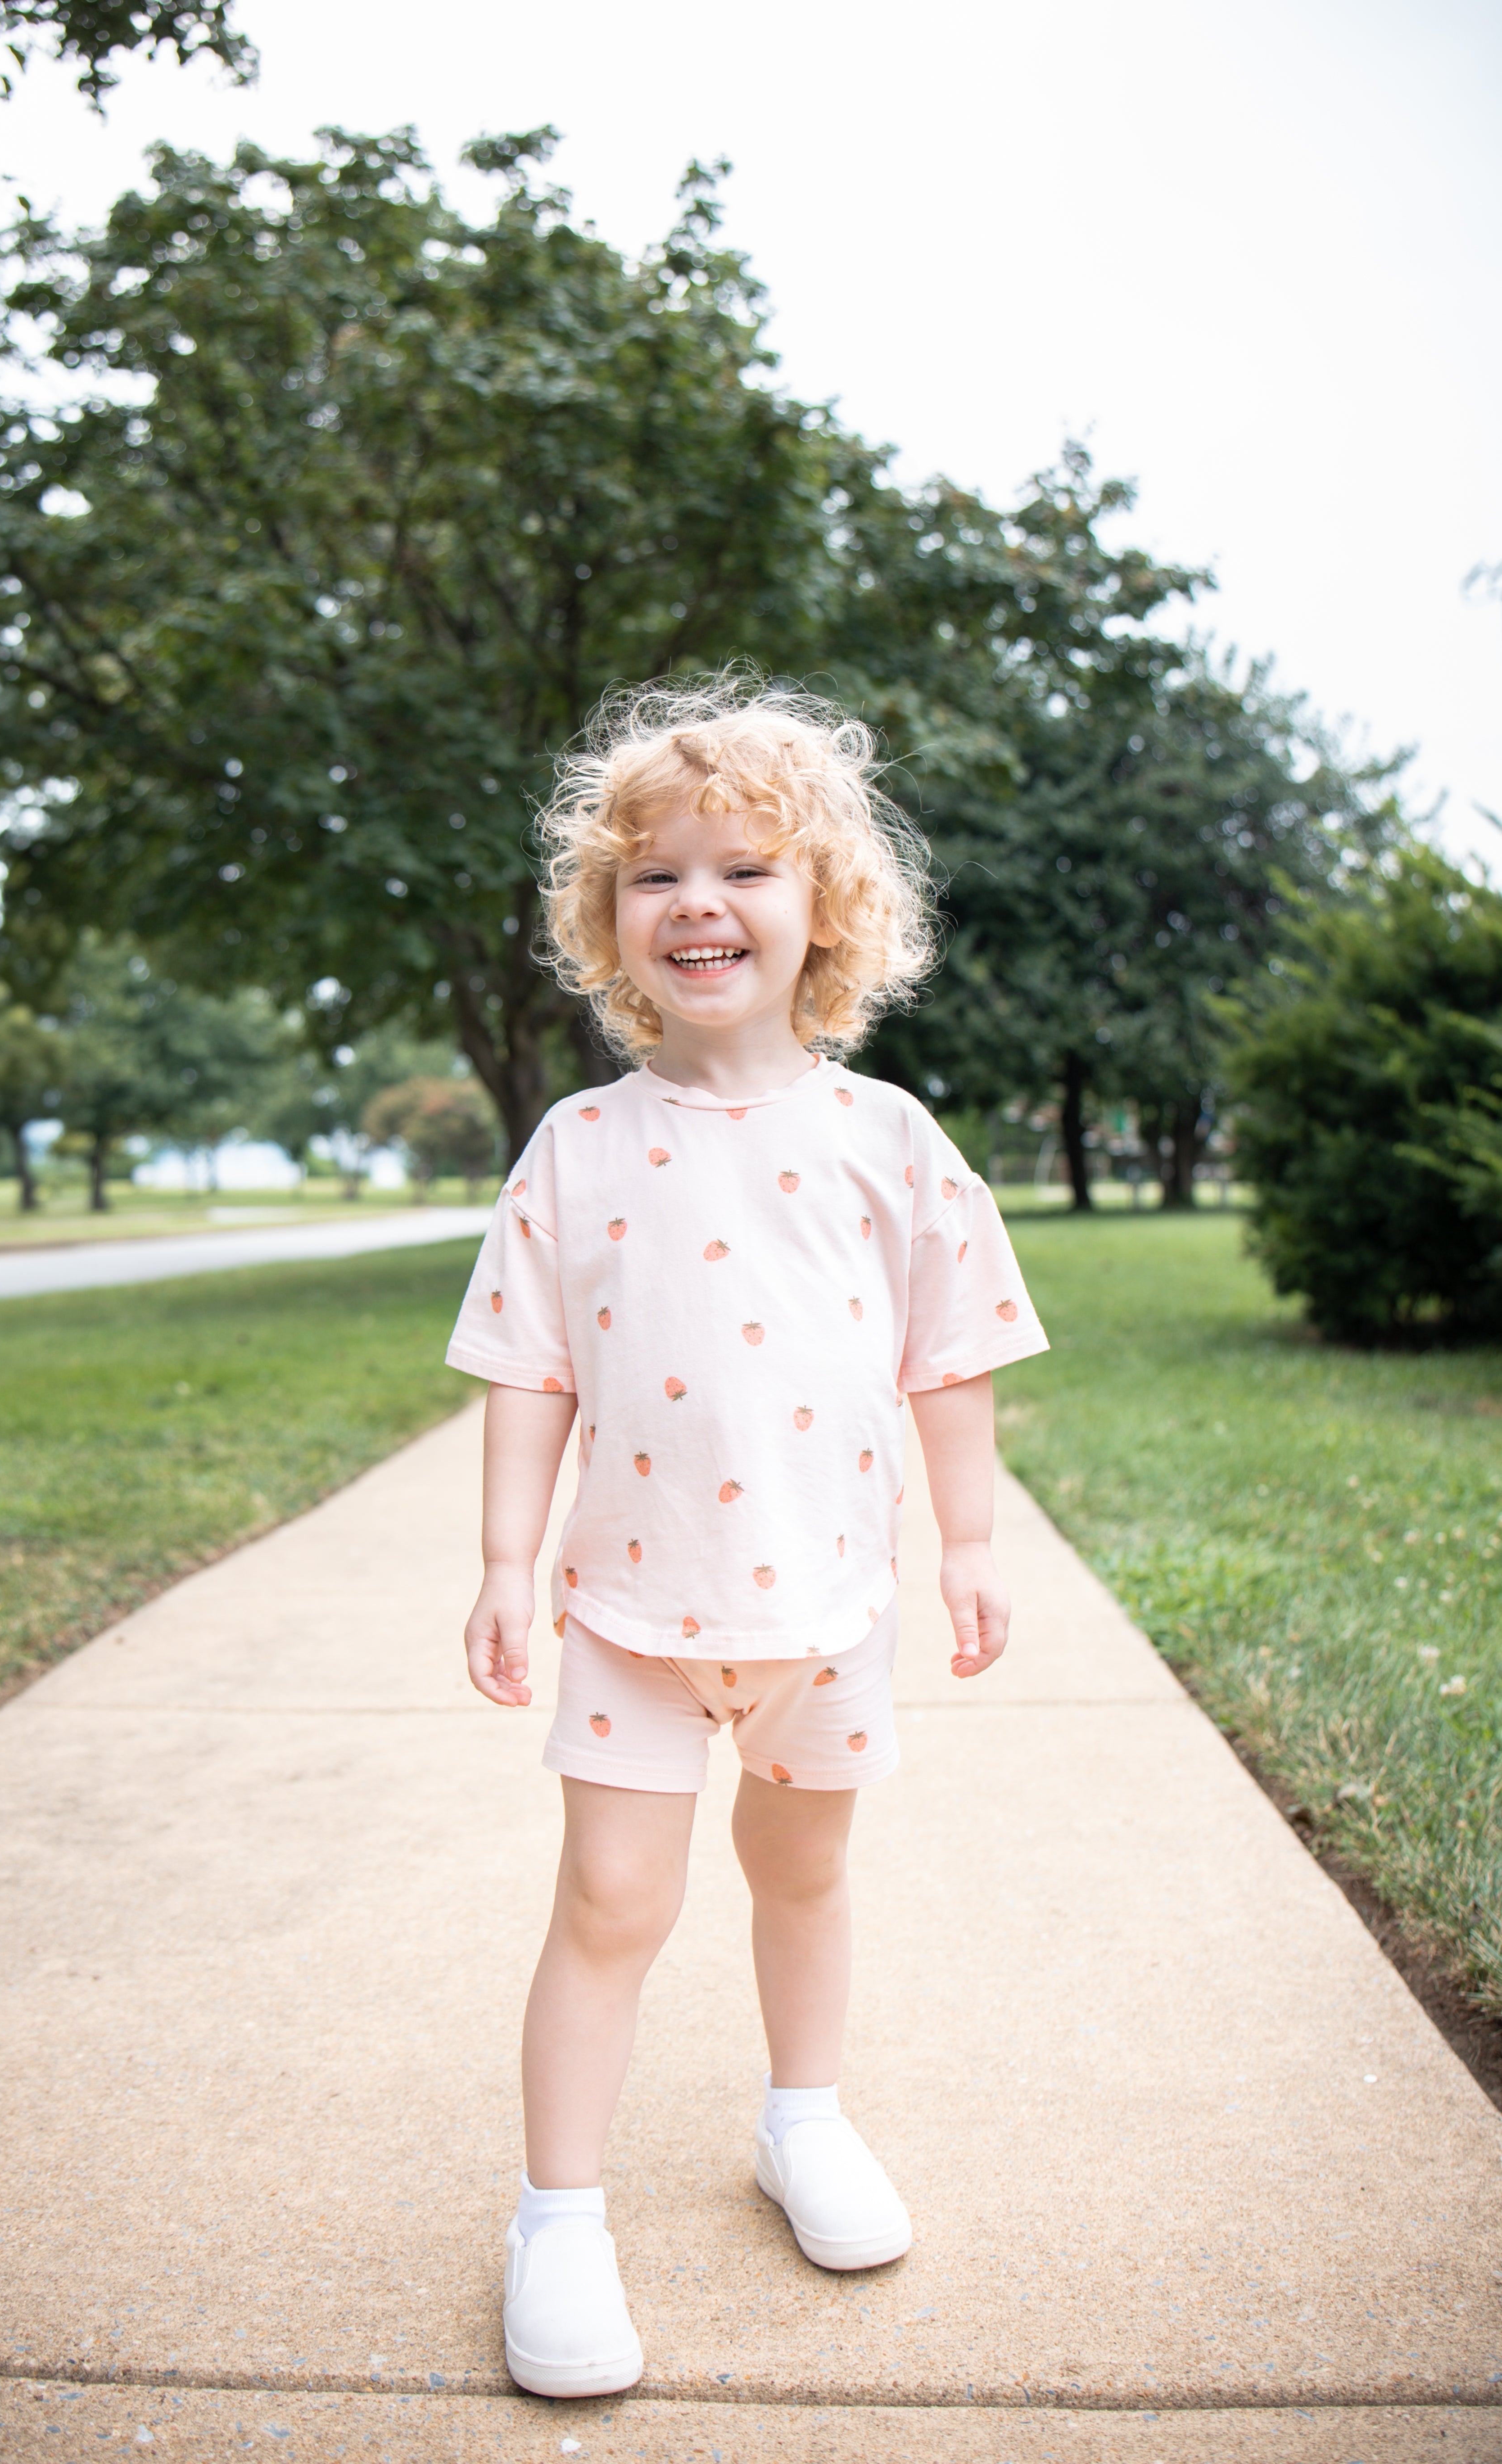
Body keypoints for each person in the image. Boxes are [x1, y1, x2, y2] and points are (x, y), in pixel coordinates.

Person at [444, 676, 1048, 2398]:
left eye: (747, 869)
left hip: (833, 1609)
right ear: (612, 925)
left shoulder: (890, 1141)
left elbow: (951, 1357)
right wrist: (503, 1559)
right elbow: (527, 1366)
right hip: (634, 1608)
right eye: (656, 875)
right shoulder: (576, 1146)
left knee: (804, 1873)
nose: (699, 900)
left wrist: (972, 1543)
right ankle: (558, 2215)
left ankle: (804, 2119)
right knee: (612, 1900)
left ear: (824, 911)